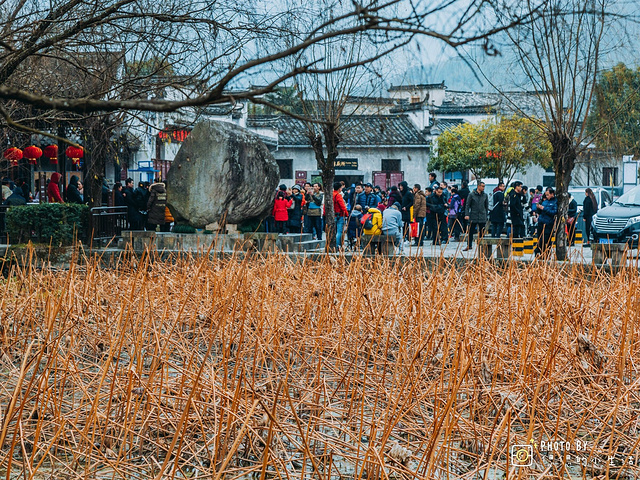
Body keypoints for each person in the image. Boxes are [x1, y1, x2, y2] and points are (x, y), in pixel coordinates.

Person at [463, 181, 489, 251]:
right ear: (478, 186)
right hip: (473, 215)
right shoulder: (471, 195)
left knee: (482, 232)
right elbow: (467, 205)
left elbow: (486, 206)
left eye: (484, 186)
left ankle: (481, 245)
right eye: (482, 186)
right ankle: (469, 245)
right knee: (471, 231)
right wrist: (467, 214)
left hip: (482, 215)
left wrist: (486, 215)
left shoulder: (485, 195)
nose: (483, 188)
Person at [535, 187, 558, 256]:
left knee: (546, 239)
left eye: (548, 195)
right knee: (539, 238)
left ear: (552, 194)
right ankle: (539, 251)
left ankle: (546, 253)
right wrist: (538, 208)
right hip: (541, 222)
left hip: (548, 223)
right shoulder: (544, 201)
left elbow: (553, 212)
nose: (546, 196)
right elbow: (540, 211)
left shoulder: (555, 202)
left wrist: (544, 209)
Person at [333, 181, 349, 248]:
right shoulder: (338, 195)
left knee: (333, 231)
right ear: (340, 188)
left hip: (333, 215)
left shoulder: (331, 194)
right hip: (340, 215)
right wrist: (347, 214)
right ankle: (337, 246)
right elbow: (342, 206)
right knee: (339, 232)